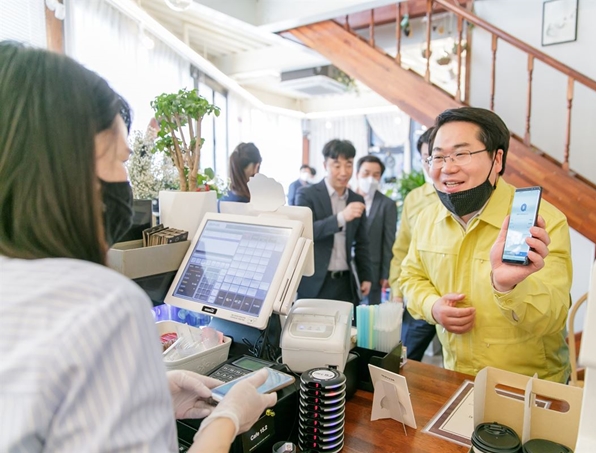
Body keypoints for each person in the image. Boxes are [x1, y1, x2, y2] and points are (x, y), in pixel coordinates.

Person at [0, 42, 275, 452]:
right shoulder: (103, 308)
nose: (125, 183)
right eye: (121, 160)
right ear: (71, 171)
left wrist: (147, 396)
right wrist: (227, 417)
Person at [399, 107, 572, 382]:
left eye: (462, 154)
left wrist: (509, 287)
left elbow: (553, 318)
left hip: (530, 387)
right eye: (439, 156)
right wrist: (433, 306)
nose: (448, 167)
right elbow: (410, 277)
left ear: (497, 159)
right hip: (455, 380)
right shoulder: (427, 218)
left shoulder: (543, 222)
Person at [295, 139, 372, 304]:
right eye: (337, 166)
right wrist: (341, 218)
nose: (343, 172)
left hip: (346, 283)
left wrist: (366, 276)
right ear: (325, 165)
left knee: (348, 329)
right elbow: (305, 232)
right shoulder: (307, 195)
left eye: (349, 165)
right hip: (315, 284)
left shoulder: (356, 199)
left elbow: (362, 243)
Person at [388, 127, 439, 360]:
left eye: (436, 157)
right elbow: (402, 249)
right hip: (422, 297)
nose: (431, 165)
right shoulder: (415, 199)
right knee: (406, 358)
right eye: (425, 159)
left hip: (460, 301)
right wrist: (397, 291)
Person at [354, 155, 397, 305]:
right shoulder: (346, 199)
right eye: (366, 173)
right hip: (347, 270)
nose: (370, 178)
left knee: (370, 318)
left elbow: (389, 240)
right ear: (357, 174)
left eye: (376, 174)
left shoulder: (387, 204)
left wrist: (386, 274)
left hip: (374, 271)